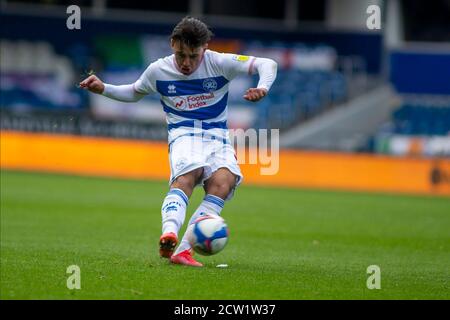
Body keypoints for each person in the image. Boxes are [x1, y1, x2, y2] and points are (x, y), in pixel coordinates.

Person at [79, 16, 277, 267]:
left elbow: (267, 64)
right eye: (181, 55)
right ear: (173, 44)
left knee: (223, 183)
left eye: (193, 56)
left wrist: (263, 87)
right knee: (189, 175)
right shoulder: (158, 70)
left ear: (204, 49)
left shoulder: (219, 62)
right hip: (184, 133)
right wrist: (104, 88)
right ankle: (169, 231)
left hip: (218, 137)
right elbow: (134, 92)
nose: (186, 62)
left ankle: (182, 251)